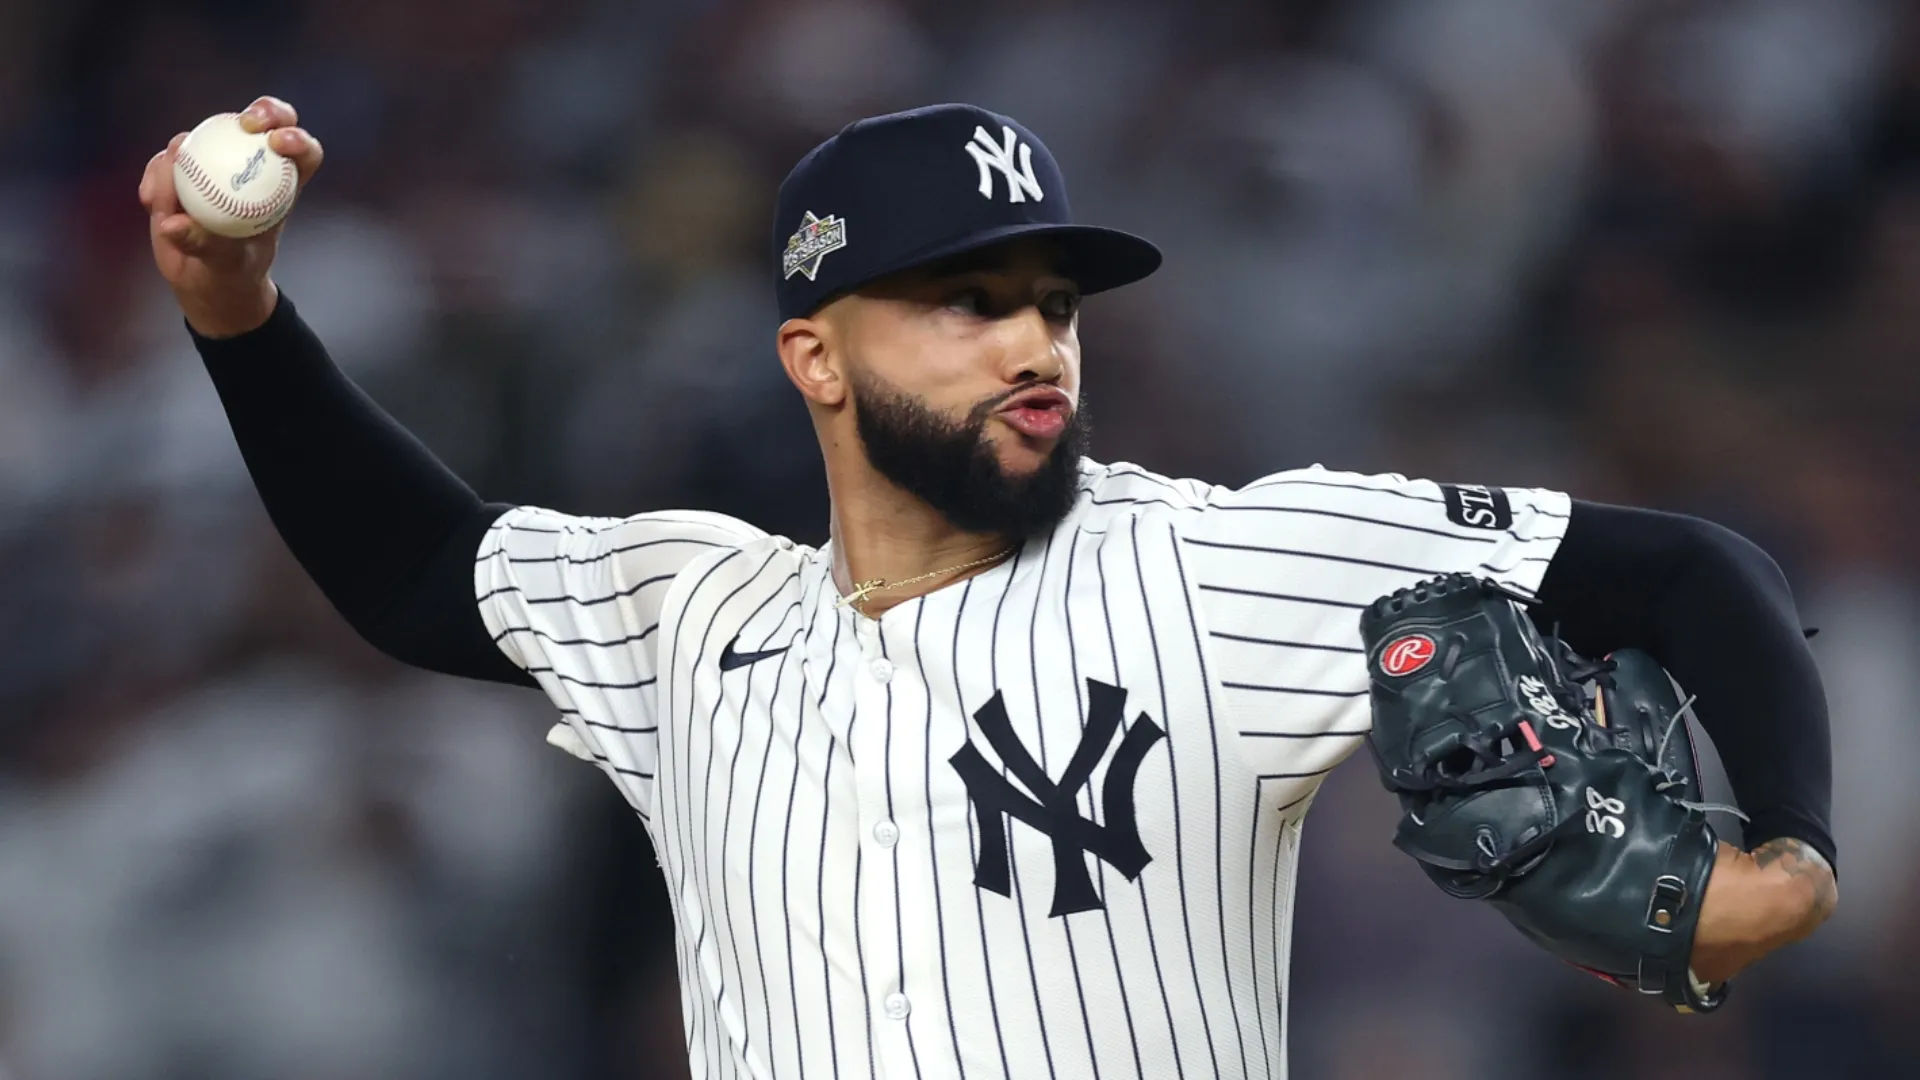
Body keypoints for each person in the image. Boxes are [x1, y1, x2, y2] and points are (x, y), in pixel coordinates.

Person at [139, 96, 1837, 1080]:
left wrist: (1790, 860)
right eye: (967, 301)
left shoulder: (1216, 560)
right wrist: (236, 316)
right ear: (815, 356)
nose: (1035, 342)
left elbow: (1695, 571)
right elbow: (421, 569)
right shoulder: (694, 612)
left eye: (1054, 302)